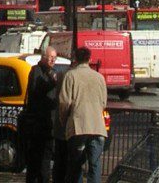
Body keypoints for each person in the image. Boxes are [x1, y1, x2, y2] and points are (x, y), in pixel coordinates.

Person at [59, 47, 108, 183]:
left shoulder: (70, 76)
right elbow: (103, 103)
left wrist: (63, 121)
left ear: (75, 59)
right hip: (97, 127)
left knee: (76, 165)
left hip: (78, 127)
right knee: (95, 165)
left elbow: (64, 102)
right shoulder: (99, 77)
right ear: (89, 59)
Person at [23, 46, 59, 183]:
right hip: (37, 123)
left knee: (46, 157)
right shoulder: (36, 71)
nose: (53, 60)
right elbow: (36, 90)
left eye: (54, 58)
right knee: (35, 159)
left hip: (49, 123)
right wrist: (52, 82)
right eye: (50, 57)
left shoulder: (53, 72)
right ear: (43, 57)